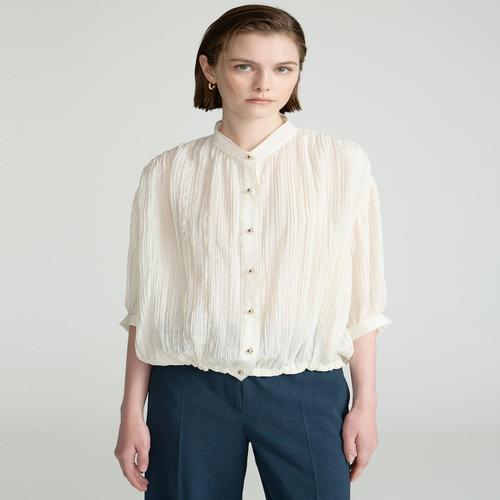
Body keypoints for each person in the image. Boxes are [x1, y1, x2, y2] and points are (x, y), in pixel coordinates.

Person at [114, 5, 392, 499]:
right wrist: (131, 413)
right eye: (245, 66)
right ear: (209, 68)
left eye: (283, 68)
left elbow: (362, 301)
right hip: (190, 392)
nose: (265, 83)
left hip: (306, 390)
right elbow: (147, 305)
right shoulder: (168, 173)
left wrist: (365, 405)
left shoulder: (340, 163)